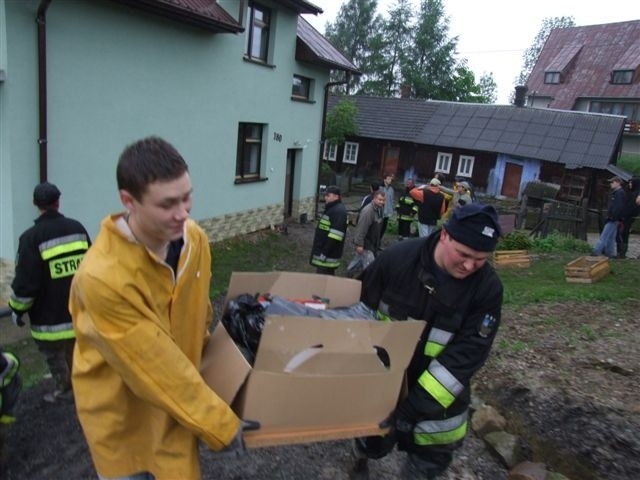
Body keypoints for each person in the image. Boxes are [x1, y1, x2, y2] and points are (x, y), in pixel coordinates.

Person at [69, 136, 246, 480]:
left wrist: (224, 376)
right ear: (128, 201)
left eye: (187, 197)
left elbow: (200, 317)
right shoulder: (103, 278)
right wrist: (221, 425)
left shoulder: (194, 242)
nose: (183, 213)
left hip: (180, 405)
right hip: (126, 423)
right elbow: (156, 369)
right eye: (167, 204)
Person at [349, 203, 503, 480]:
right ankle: (361, 460)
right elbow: (358, 311)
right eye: (464, 254)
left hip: (438, 407)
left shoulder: (487, 289)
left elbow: (466, 357)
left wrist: (412, 408)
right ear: (445, 235)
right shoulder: (397, 259)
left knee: (425, 466)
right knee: (370, 442)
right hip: (382, 387)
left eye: (480, 259)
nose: (470, 266)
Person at [8, 182, 91, 403]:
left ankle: (65, 391)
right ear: (58, 202)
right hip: (79, 313)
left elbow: (27, 283)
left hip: (49, 321)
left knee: (56, 357)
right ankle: (83, 390)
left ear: (36, 204)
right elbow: (92, 268)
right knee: (78, 354)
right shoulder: (78, 229)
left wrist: (16, 309)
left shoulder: (31, 238)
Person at [310, 185, 348, 275]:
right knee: (326, 280)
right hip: (325, 255)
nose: (325, 197)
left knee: (322, 281)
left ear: (336, 196)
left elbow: (335, 236)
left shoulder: (338, 211)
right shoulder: (332, 209)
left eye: (328, 195)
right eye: (325, 195)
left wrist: (324, 253)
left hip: (327, 256)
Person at [347, 190, 385, 277]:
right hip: (366, 243)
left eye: (383, 200)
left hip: (373, 242)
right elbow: (361, 228)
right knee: (371, 268)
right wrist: (359, 244)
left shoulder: (379, 209)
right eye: (380, 200)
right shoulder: (368, 211)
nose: (382, 202)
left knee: (359, 260)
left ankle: (349, 273)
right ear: (374, 199)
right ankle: (367, 284)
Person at [592, 176, 626, 258]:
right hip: (615, 218)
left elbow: (618, 207)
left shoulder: (619, 193)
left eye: (612, 182)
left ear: (618, 182)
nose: (610, 184)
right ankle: (610, 253)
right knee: (611, 237)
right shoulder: (618, 193)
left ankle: (596, 251)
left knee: (604, 235)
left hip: (613, 218)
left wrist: (612, 217)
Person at [616, 176, 640, 259]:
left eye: (631, 183)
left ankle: (622, 253)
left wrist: (622, 216)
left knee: (623, 234)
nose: (629, 184)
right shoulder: (633, 193)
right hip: (629, 217)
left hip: (628, 217)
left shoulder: (635, 195)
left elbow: (631, 208)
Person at [380, 174, 395, 240]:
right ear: (384, 180)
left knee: (383, 228)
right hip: (380, 212)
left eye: (391, 179)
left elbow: (392, 201)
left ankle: (379, 242)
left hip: (387, 213)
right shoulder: (380, 188)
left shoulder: (391, 189)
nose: (390, 180)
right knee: (378, 228)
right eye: (388, 179)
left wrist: (391, 210)